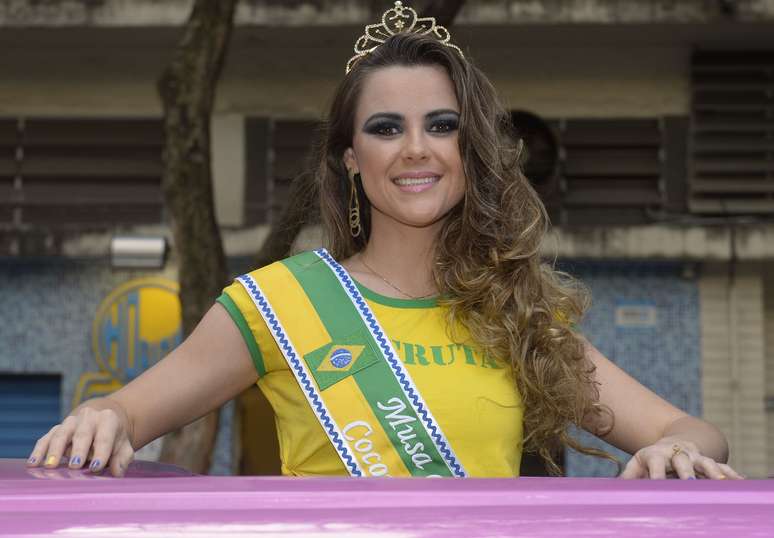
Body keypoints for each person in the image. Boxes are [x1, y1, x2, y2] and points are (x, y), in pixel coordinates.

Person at [28, 1, 740, 480]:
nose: (416, 150)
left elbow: (692, 430)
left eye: (440, 124)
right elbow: (129, 410)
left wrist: (676, 448)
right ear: (349, 157)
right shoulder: (280, 300)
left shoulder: (516, 312)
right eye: (385, 128)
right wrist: (103, 416)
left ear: (470, 150)